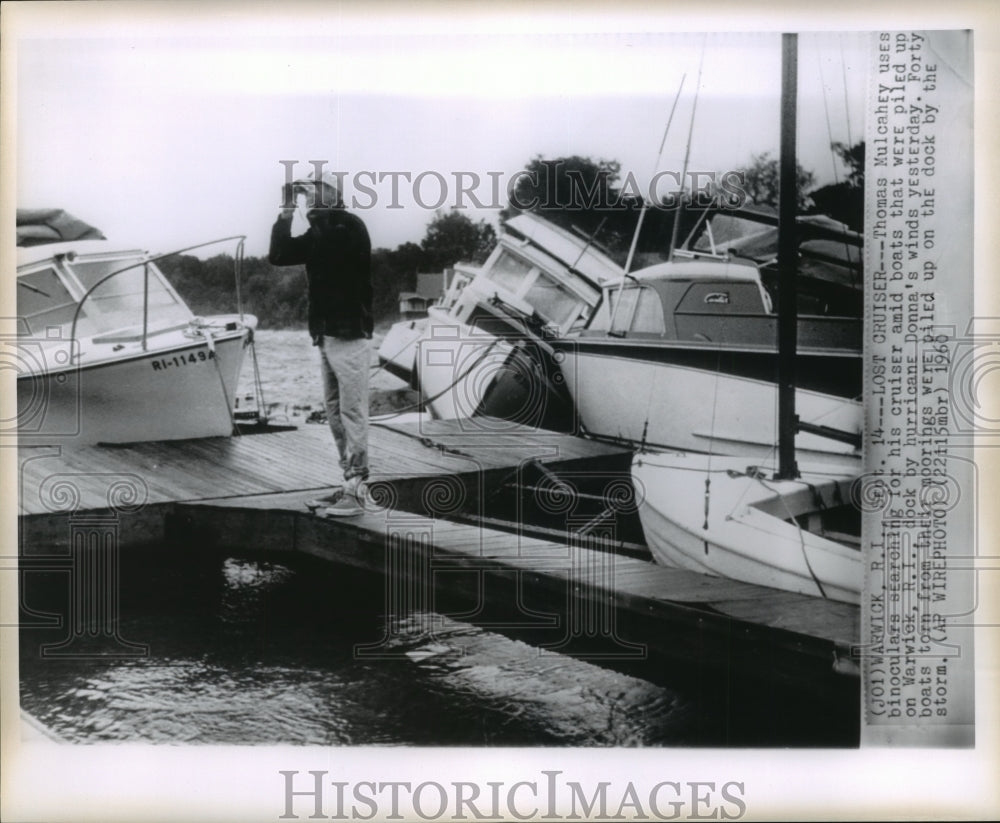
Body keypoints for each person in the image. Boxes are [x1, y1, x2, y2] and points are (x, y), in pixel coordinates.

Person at [269, 169, 373, 516]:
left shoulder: (347, 226)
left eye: (315, 190)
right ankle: (348, 483)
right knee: (333, 411)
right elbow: (280, 255)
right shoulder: (320, 229)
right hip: (326, 334)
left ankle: (358, 489)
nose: (309, 196)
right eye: (308, 190)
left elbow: (329, 241)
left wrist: (310, 211)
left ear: (331, 193)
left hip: (350, 333)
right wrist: (286, 212)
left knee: (352, 410)